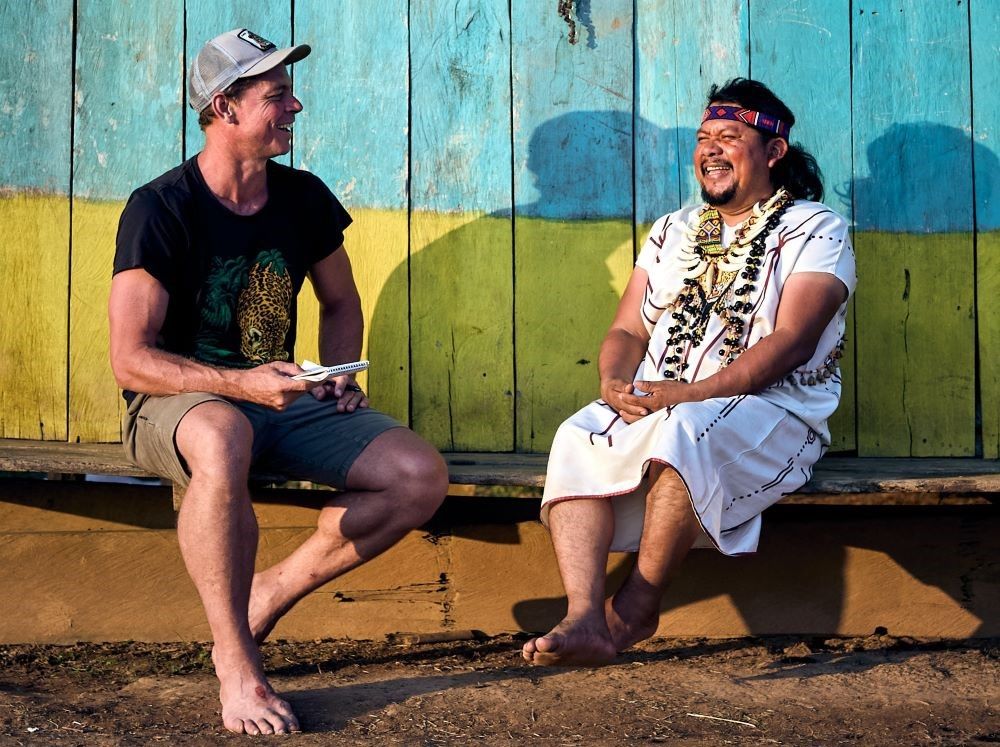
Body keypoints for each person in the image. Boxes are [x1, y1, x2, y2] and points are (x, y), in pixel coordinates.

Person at [108, 28, 448, 735]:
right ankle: (235, 661)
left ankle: (267, 593)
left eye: (289, 93)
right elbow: (131, 359)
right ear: (225, 107)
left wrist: (339, 375)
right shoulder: (161, 207)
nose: (295, 106)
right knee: (223, 432)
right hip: (178, 405)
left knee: (418, 475)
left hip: (280, 397)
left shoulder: (302, 198)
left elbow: (342, 301)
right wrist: (239, 385)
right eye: (276, 96)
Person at [522, 78, 856, 667]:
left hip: (776, 414)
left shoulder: (816, 228)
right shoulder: (672, 229)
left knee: (684, 433)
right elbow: (627, 331)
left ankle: (635, 610)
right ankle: (581, 615)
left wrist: (688, 394)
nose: (711, 149)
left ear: (773, 152)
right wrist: (613, 384)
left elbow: (792, 343)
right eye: (704, 138)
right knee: (579, 432)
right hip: (663, 399)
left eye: (730, 136)